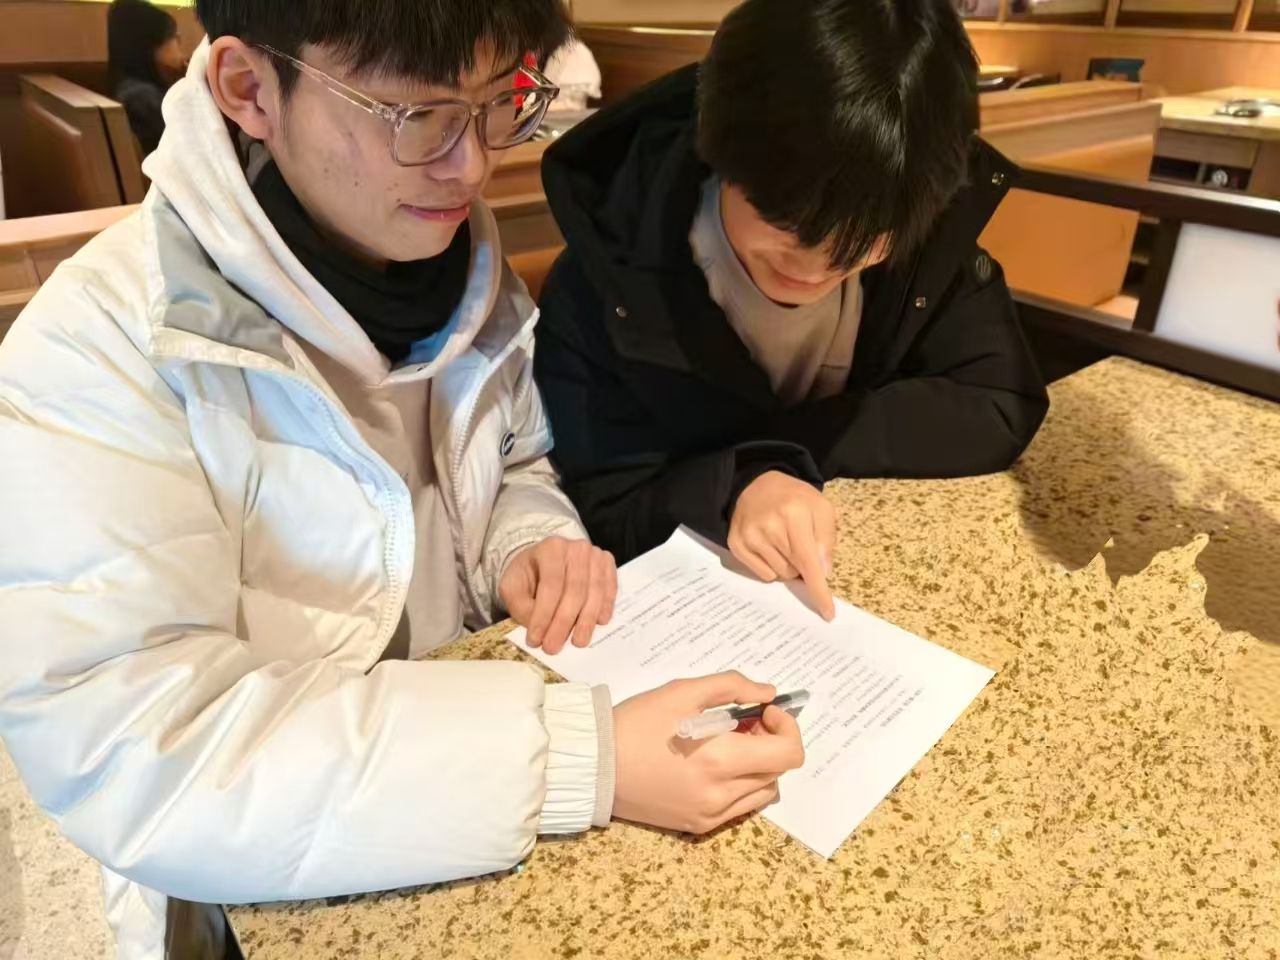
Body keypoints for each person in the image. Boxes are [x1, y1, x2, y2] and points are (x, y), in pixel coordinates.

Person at [0, 2, 804, 957]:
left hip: (473, 799)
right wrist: (581, 757)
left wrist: (525, 540)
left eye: (499, 100)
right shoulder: (99, 351)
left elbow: (515, 455)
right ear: (251, 89)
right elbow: (142, 749)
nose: (472, 165)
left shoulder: (465, 271)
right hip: (263, 892)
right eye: (417, 115)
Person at [534, 0, 1050, 620]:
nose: (815, 267)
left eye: (863, 243)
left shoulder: (914, 217)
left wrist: (777, 458)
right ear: (718, 147)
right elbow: (606, 507)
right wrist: (734, 487)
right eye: (790, 224)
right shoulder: (609, 272)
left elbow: (999, 401)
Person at [108, 0, 188, 155]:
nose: (179, 42)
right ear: (148, 45)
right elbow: (192, 142)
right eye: (172, 36)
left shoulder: (129, 89)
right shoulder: (141, 98)